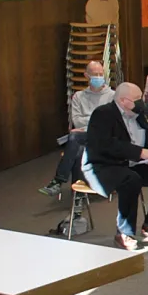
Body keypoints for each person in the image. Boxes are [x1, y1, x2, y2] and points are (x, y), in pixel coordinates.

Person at [83, 83, 148, 250]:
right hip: (104, 166)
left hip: (132, 163)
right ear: (122, 100)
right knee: (130, 179)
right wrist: (138, 152)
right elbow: (105, 145)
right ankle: (124, 233)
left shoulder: (138, 114)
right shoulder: (103, 114)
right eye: (136, 99)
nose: (141, 102)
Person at [40, 60, 116, 196]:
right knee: (78, 148)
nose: (99, 77)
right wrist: (97, 118)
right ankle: (78, 197)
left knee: (74, 138)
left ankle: (59, 181)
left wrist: (91, 121)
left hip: (104, 137)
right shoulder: (79, 97)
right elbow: (77, 121)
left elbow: (110, 122)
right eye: (95, 74)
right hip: (85, 136)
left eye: (100, 74)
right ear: (86, 76)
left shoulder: (112, 96)